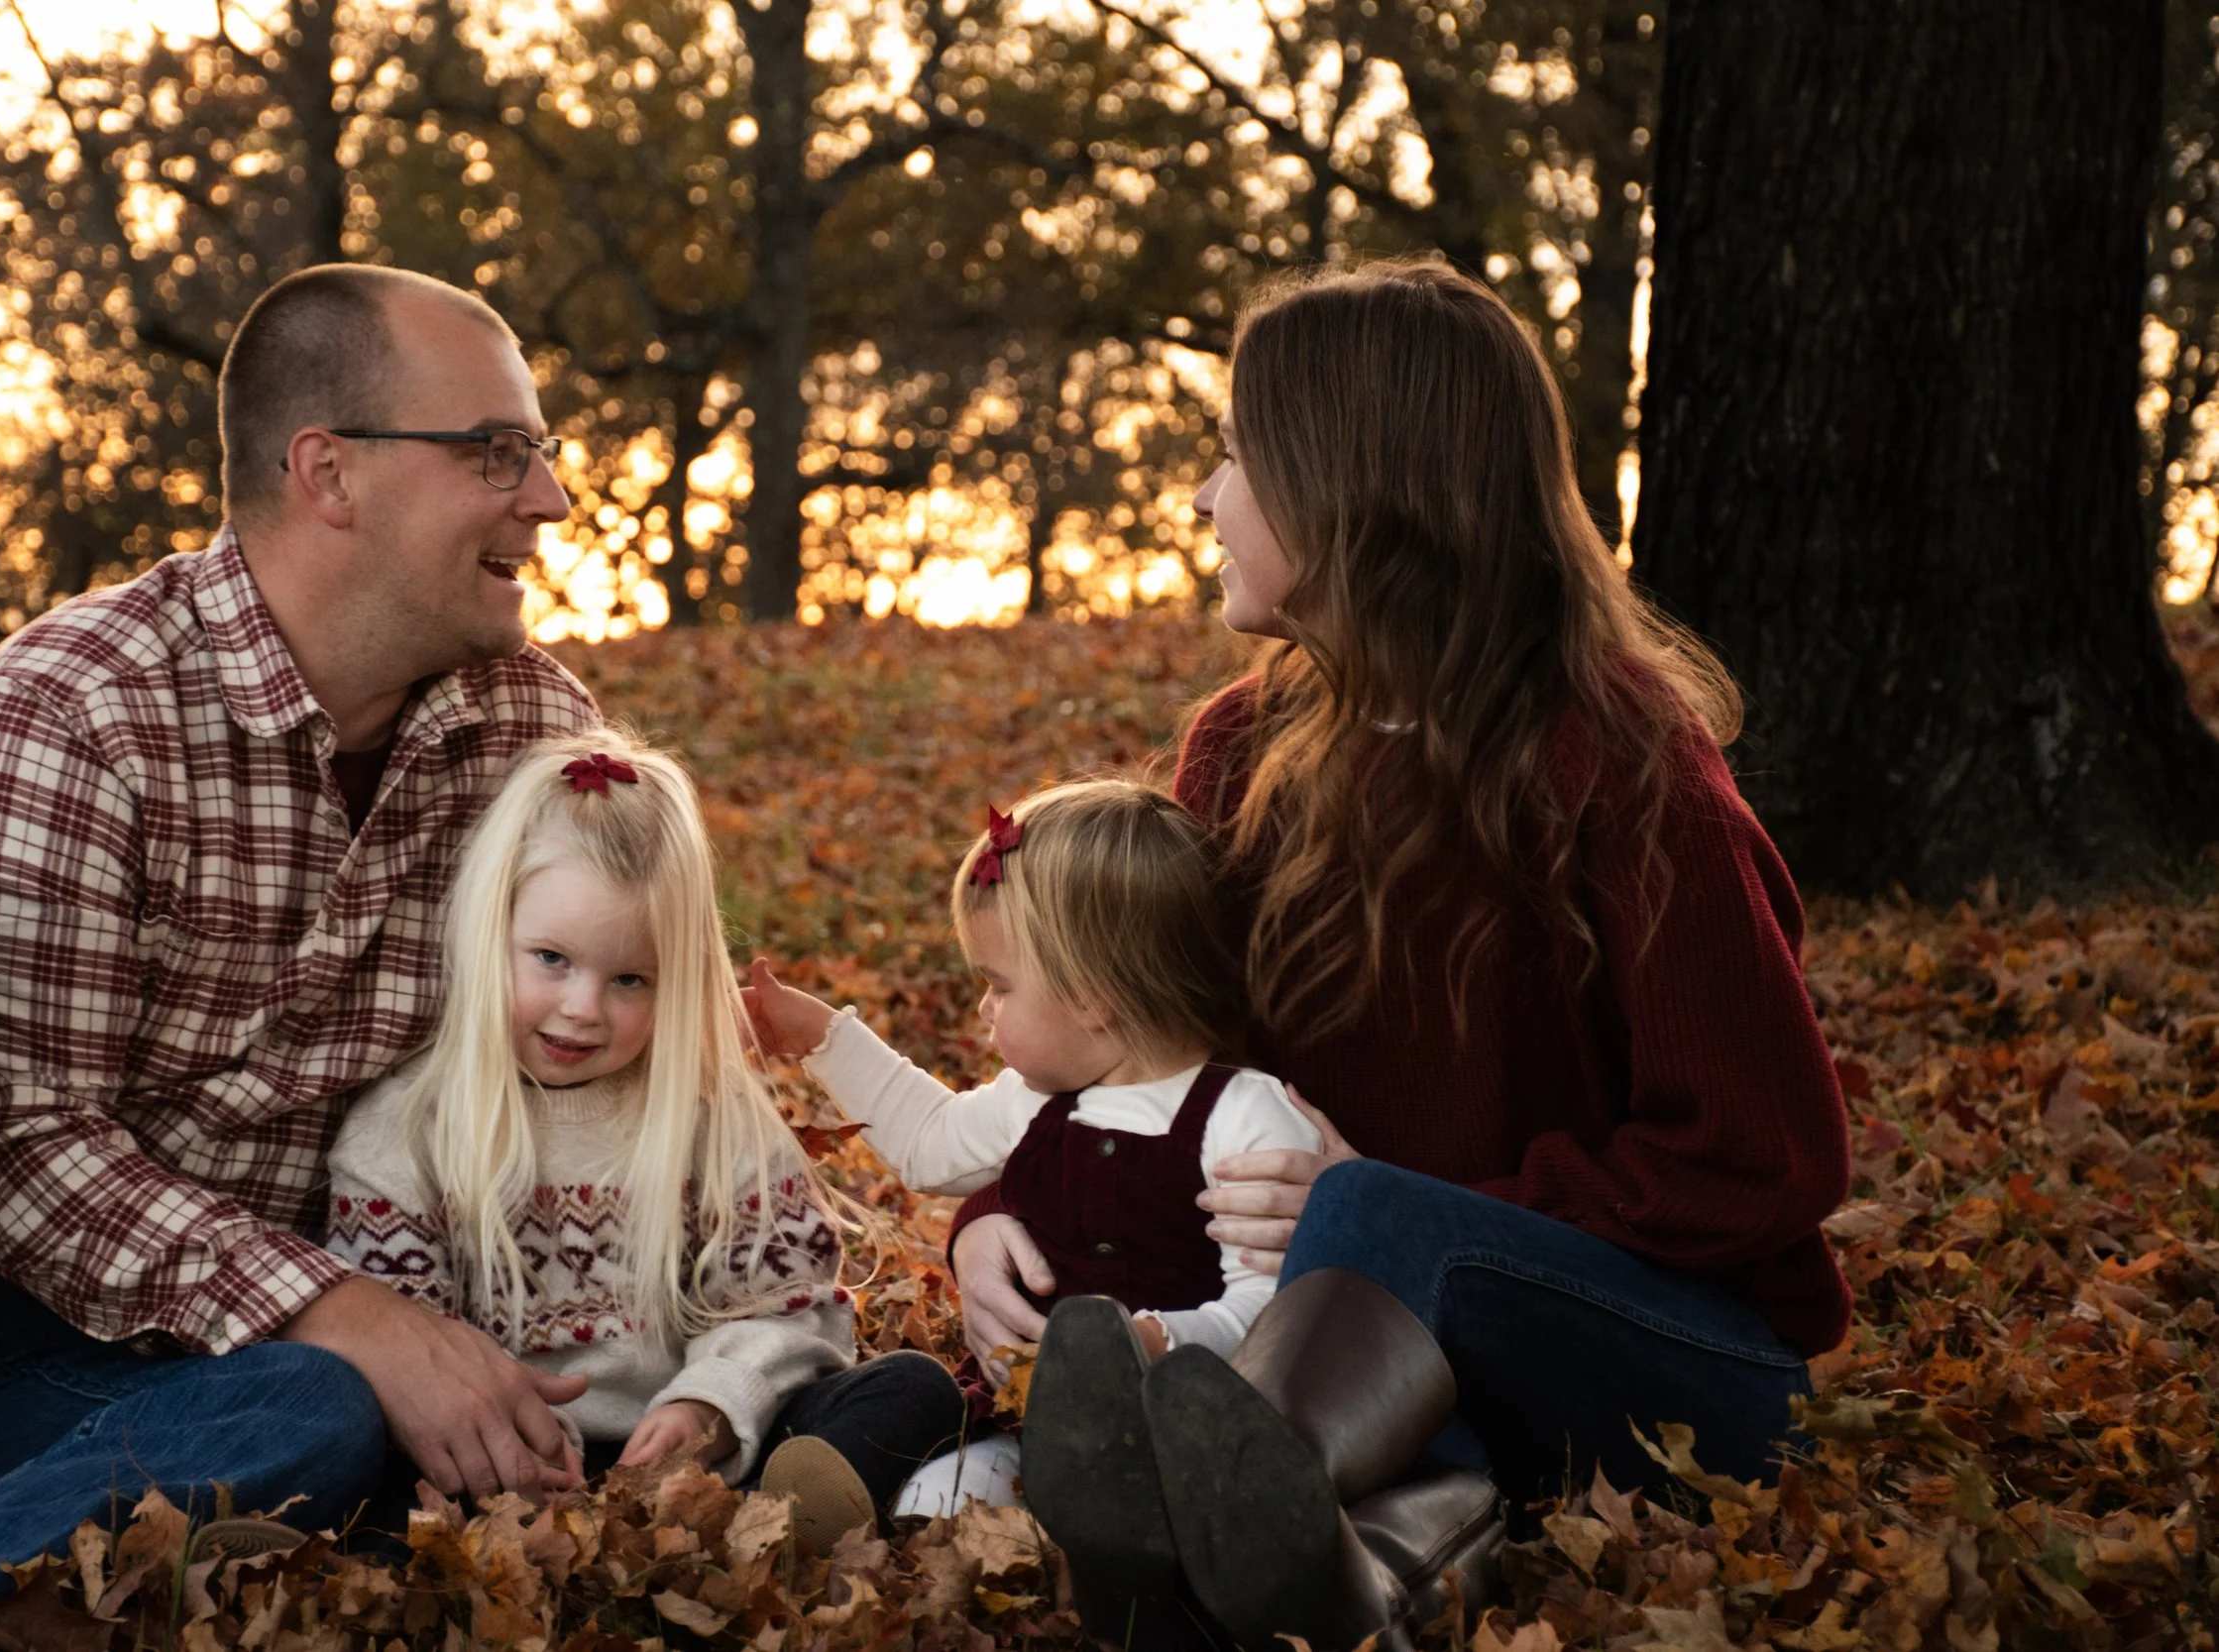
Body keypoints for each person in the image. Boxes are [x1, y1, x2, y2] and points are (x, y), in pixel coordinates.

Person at [951, 259, 1854, 1650]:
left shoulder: (1621, 763)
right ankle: (1340, 1568)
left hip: (1673, 1364)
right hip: (1398, 1376)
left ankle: (1206, 1499)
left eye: (1238, 456)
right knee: (1381, 1313)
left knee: (1370, 1218)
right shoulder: (1239, 752)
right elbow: (1147, 1049)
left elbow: (1763, 1155)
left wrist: (1394, 1206)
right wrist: (992, 1216)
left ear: (1351, 486)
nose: (1203, 496)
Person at [0, 264, 607, 1650]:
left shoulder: (533, 738)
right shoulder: (79, 703)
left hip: (144, 1388)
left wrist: (725, 1350)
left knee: (321, 1407)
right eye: (497, 451)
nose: (550, 497)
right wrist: (337, 1303)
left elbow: (623, 1055)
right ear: (329, 472)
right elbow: (9, 1140)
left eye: (543, 450)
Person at [326, 730, 964, 1551]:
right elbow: (413, 1345)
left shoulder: (710, 1118)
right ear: (489, 932)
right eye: (551, 959)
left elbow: (786, 1303)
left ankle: (766, 1526)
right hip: (498, 1459)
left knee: (913, 1388)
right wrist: (517, 1442)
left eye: (630, 978)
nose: (584, 1007)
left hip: (700, 1457)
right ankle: (467, 1554)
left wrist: (709, 1406)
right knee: (349, 1437)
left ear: (677, 977)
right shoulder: (404, 1130)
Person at [744, 779, 1321, 1631]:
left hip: (1179, 1435)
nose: (984, 1007)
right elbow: (930, 1140)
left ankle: (1125, 1567)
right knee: (936, 1498)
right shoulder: (1037, 1099)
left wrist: (1156, 1341)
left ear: (1092, 994)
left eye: (1000, 985)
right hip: (1024, 1420)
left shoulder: (1241, 1116)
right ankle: (923, 1530)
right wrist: (823, 1037)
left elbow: (1274, 1308)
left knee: (1136, 1510)